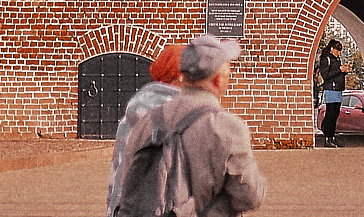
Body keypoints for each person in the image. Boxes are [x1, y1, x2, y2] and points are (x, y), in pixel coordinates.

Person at [110, 33, 264, 217]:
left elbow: (125, 184)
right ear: (218, 80)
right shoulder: (227, 128)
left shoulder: (147, 121)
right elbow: (249, 197)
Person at [106, 45, 187, 215]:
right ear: (180, 76)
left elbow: (118, 173)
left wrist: (113, 210)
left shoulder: (130, 116)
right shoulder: (183, 117)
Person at [314, 39, 347, 149]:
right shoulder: (326, 59)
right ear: (332, 49)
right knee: (330, 114)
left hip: (338, 89)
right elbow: (326, 75)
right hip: (330, 89)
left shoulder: (336, 59)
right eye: (337, 51)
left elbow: (337, 74)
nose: (338, 53)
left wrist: (344, 71)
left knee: (335, 114)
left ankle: (332, 137)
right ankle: (328, 138)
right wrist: (339, 70)